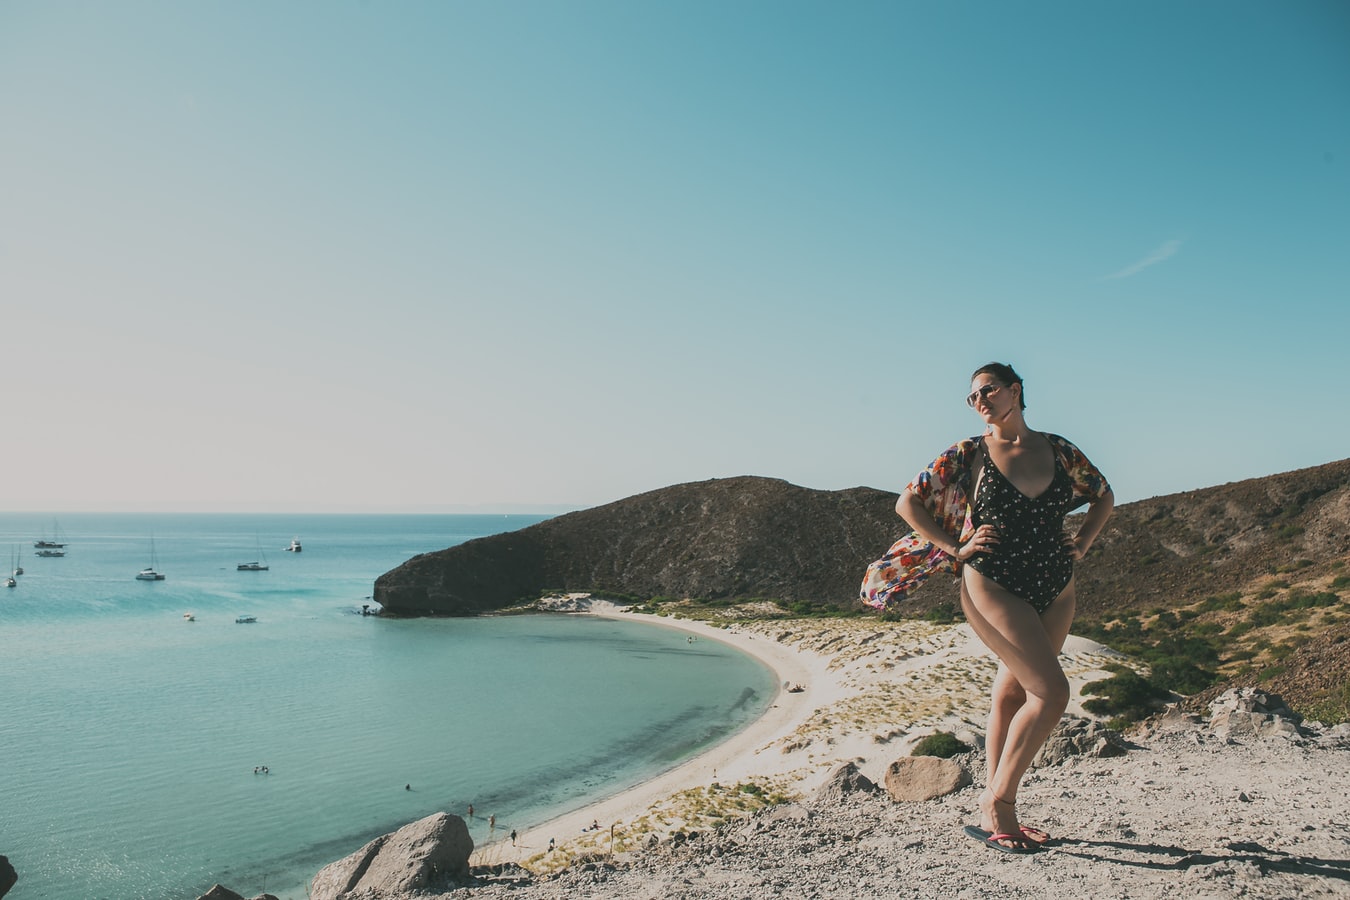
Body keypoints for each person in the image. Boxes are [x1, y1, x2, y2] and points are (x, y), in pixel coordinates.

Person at [863, 362, 1113, 854]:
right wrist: (956, 548)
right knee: (1052, 693)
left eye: (988, 390)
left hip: (1056, 587)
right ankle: (1001, 804)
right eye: (972, 396)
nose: (979, 400)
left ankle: (992, 801)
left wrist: (1083, 542)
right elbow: (907, 504)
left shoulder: (1060, 450)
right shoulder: (968, 453)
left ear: (1015, 391)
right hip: (994, 584)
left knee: (1014, 689)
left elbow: (1103, 496)